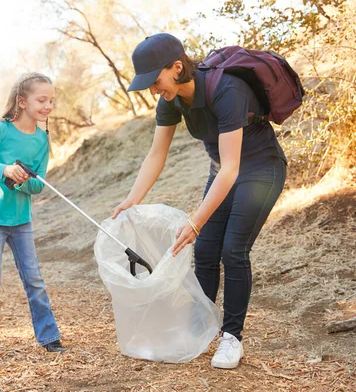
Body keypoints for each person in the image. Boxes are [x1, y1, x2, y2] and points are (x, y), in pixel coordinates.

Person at [114, 34, 287, 369]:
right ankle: (201, 328)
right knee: (205, 250)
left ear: (177, 67)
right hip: (224, 169)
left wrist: (195, 221)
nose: (153, 90)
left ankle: (231, 338)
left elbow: (233, 168)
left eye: (155, 80)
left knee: (233, 250)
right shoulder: (170, 100)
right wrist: (131, 199)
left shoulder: (227, 91)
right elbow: (156, 154)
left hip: (260, 169)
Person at [0, 72, 64, 364]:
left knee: (35, 280)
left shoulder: (43, 139)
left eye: (51, 101)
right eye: (41, 100)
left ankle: (50, 337)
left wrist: (21, 181)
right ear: (22, 101)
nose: (47, 106)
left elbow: (38, 185)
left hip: (21, 220)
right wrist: (3, 169)